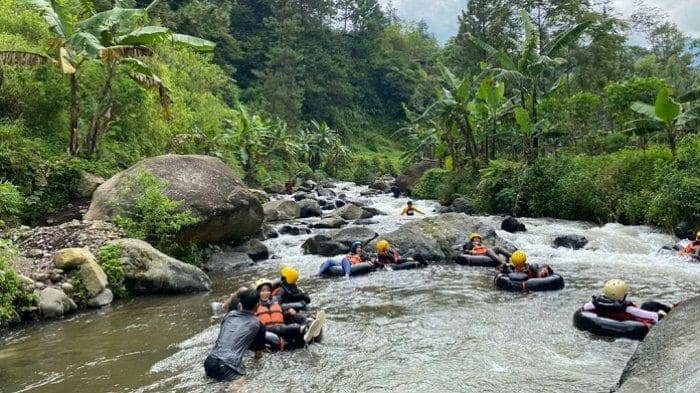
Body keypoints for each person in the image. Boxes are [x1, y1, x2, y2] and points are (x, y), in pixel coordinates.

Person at [204, 289, 266, 382]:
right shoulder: (258, 324)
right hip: (228, 366)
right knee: (240, 384)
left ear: (240, 304)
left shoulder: (229, 315)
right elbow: (258, 355)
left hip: (209, 362)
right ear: (257, 305)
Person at [254, 279, 325, 347]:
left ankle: (310, 324)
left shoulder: (274, 301)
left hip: (281, 327)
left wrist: (288, 312)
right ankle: (304, 330)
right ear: (258, 292)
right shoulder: (254, 305)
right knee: (278, 327)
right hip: (269, 329)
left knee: (297, 315)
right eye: (263, 290)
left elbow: (279, 313)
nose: (266, 292)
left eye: (268, 290)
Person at [582, 279, 670, 324]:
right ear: (622, 295)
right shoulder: (628, 309)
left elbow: (583, 309)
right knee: (649, 304)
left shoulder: (591, 305)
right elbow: (654, 317)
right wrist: (661, 314)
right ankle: (669, 308)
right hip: (630, 322)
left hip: (605, 318)